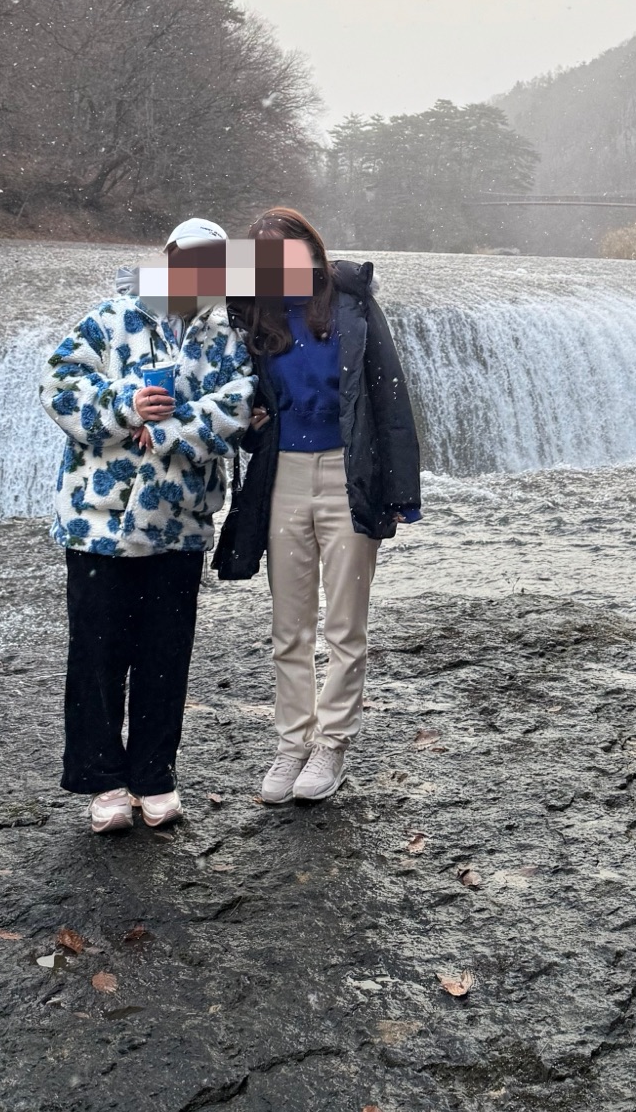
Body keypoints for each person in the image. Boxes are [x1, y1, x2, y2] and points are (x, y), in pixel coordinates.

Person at [39, 216, 255, 833]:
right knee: (97, 653)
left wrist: (166, 428)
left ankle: (155, 776)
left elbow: (240, 401)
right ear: (166, 259)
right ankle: (103, 781)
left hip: (178, 523)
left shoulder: (224, 336)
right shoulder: (111, 317)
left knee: (166, 655)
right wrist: (123, 404)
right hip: (96, 522)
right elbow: (58, 383)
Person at [216, 207, 421, 804]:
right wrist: (252, 425)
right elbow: (251, 406)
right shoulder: (253, 315)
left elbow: (390, 394)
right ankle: (292, 742)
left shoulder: (352, 304)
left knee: (344, 625)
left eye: (289, 254)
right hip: (283, 478)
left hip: (347, 473)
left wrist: (400, 492)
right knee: (290, 625)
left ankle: (332, 743)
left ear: (311, 248)